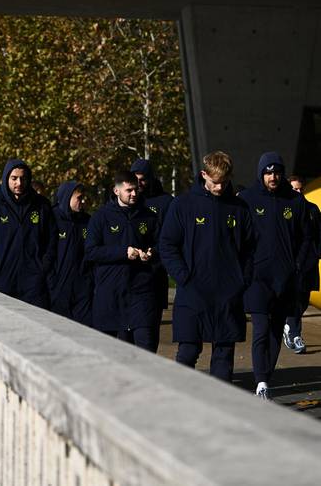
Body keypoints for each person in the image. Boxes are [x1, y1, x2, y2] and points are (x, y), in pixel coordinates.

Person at [160, 151, 253, 383]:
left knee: (223, 356)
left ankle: (219, 407)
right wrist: (184, 277)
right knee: (188, 352)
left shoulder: (240, 208)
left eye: (224, 182)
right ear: (203, 175)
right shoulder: (183, 204)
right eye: (214, 182)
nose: (219, 187)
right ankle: (180, 400)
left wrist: (242, 280)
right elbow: (167, 245)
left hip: (228, 295)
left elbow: (251, 249)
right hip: (193, 293)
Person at [240, 153, 311, 399]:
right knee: (260, 328)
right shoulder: (247, 199)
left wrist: (298, 264)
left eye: (277, 172)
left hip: (286, 280)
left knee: (275, 331)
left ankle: (265, 377)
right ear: (261, 174)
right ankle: (260, 383)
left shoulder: (295, 201)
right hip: (258, 280)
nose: (273, 177)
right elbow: (239, 239)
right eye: (268, 172)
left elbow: (306, 238)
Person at [85, 170, 160, 352]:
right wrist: (122, 253)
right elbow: (91, 251)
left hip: (141, 290)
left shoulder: (149, 216)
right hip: (111, 290)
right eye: (129, 190)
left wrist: (151, 253)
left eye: (136, 189)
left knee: (145, 346)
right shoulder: (100, 217)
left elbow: (161, 245)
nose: (134, 194)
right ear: (116, 191)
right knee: (111, 351)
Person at [0, 159, 57, 307]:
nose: (19, 183)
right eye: (14, 178)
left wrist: (44, 266)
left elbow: (52, 239)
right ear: (6, 179)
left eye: (23, 178)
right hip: (4, 281)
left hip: (35, 282)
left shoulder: (41, 205)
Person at [130, 158, 174, 348]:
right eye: (135, 179)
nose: (139, 184)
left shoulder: (165, 202)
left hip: (155, 274)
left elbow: (170, 237)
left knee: (149, 330)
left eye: (143, 179)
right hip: (129, 274)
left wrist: (155, 253)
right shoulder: (127, 200)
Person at [283, 175, 321, 353]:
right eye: (294, 189)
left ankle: (288, 324)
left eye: (300, 189)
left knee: (304, 299)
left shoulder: (312, 209)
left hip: (309, 262)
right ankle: (294, 332)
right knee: (295, 297)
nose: (298, 192)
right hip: (291, 263)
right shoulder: (284, 210)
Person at [48, 181, 93, 325]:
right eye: (79, 198)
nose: (83, 201)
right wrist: (52, 281)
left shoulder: (87, 221)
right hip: (57, 290)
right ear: (68, 197)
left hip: (83, 290)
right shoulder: (52, 219)